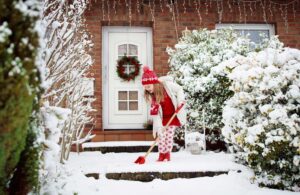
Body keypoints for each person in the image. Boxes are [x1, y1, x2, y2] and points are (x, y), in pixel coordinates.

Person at [141, 66, 186, 162]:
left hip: (173, 116)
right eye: (145, 87)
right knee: (161, 137)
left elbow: (179, 89)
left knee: (169, 136)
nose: (147, 89)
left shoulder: (167, 85)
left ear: (154, 83)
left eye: (148, 86)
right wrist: (158, 127)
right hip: (162, 119)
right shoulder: (151, 97)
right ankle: (161, 155)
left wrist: (180, 101)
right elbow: (155, 114)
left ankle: (167, 154)